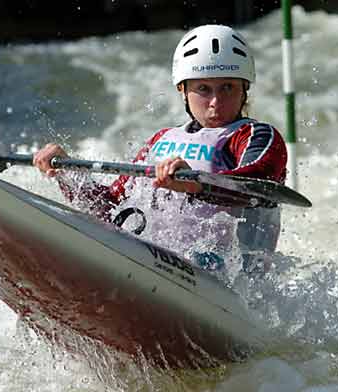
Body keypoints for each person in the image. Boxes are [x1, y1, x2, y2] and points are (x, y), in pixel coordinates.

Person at [33, 24, 288, 271]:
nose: (215, 102)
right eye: (203, 88)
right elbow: (109, 208)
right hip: (162, 267)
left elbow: (259, 184)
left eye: (227, 88)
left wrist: (196, 184)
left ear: (245, 88)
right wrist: (67, 173)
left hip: (235, 285)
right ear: (182, 89)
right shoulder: (162, 140)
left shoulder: (256, 135)